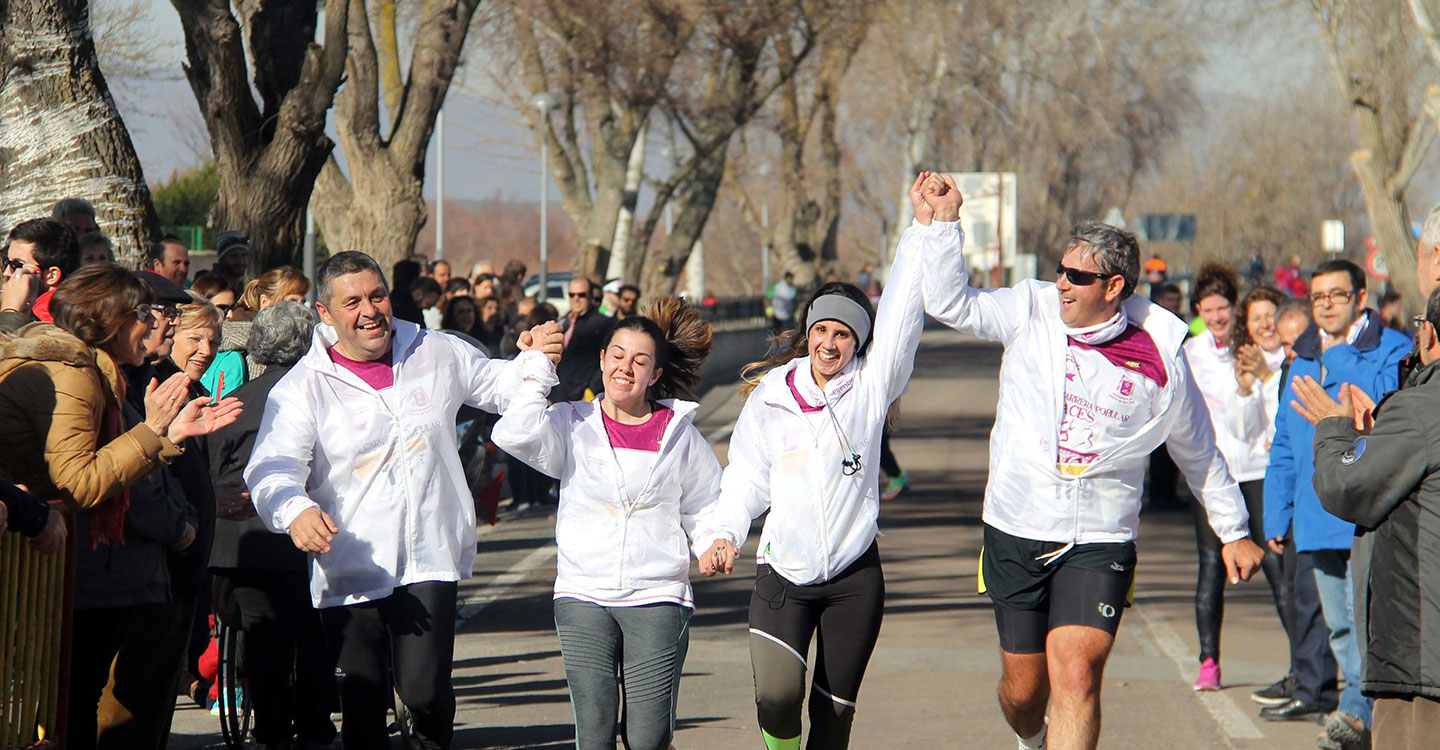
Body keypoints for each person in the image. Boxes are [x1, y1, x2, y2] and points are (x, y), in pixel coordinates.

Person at [917, 178, 1264, 748]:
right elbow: (951, 302)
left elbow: (1197, 449)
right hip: (1018, 524)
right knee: (1025, 693)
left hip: (1101, 533)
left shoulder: (1160, 352)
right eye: (1060, 270)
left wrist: (1232, 530)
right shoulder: (1031, 309)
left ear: (1115, 286)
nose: (1061, 285)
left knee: (1076, 676)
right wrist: (946, 223)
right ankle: (1033, 736)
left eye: (1076, 277)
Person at [244, 251, 564, 750]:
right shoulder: (303, 387)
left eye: (377, 296)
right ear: (325, 314)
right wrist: (295, 509)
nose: (370, 310)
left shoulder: (435, 350)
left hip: (428, 553)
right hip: (352, 560)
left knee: (425, 689)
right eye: (352, 302)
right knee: (363, 703)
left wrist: (534, 358)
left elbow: (498, 385)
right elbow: (272, 466)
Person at [693, 172, 936, 750]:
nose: (830, 344)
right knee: (777, 703)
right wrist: (723, 534)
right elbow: (746, 478)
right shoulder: (772, 397)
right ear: (808, 334)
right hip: (784, 575)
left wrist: (923, 230)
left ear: (858, 343)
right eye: (821, 330)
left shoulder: (872, 389)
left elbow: (902, 312)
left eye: (844, 335)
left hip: (854, 578)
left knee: (832, 723)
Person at [0, 264, 240, 750]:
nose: (155, 324)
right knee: (72, 709)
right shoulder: (75, 372)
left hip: (84, 572)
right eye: (144, 313)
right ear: (109, 318)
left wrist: (167, 436)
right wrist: (154, 433)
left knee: (77, 706)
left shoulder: (95, 371)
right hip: (63, 570)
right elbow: (81, 483)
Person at [493, 297, 724, 750]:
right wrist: (538, 365)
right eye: (617, 356)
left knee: (648, 736)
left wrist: (714, 541)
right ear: (601, 361)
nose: (626, 368)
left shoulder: (680, 435)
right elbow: (513, 433)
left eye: (640, 361)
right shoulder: (571, 423)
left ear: (655, 375)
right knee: (594, 732)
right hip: (583, 592)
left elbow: (704, 504)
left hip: (657, 594)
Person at [1287, 283, 1440, 750]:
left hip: (1422, 661)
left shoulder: (1421, 410)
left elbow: (1344, 487)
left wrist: (1334, 432)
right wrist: (1375, 443)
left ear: (1429, 336)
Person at [1262, 260, 1409, 744]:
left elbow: (1383, 411)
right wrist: (1275, 512)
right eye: (1318, 296)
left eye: (1337, 295)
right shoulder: (1301, 359)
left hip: (1367, 514)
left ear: (1360, 298)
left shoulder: (1393, 349)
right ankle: (1358, 714)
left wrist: (1339, 356)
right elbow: (1285, 442)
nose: (1325, 304)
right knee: (1341, 627)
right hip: (1314, 514)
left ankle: (1358, 715)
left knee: (1369, 626)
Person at [208, 301, 338, 750]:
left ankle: (272, 728)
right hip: (312, 535)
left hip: (245, 543)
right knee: (314, 630)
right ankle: (318, 723)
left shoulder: (234, 404)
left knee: (266, 637)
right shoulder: (326, 395)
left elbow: (214, 472)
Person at [1181, 268, 1292, 691]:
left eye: (1223, 307)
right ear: (1198, 311)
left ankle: (1302, 661)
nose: (1216, 317)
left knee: (1277, 565)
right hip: (1212, 474)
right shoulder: (1190, 354)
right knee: (1211, 567)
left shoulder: (1252, 350)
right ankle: (1209, 661)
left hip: (1259, 470)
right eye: (1207, 310)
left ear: (1235, 307)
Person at [202, 266, 310, 398]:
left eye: (302, 302)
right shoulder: (247, 344)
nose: (299, 308)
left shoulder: (301, 340)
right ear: (265, 302)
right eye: (292, 301)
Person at [1, 217, 81, 328]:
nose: (7, 272)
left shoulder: (48, 316)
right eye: (6, 262)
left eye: (17, 266)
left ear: (51, 276)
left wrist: (10, 310)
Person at [555, 276, 616, 402]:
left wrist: (591, 390)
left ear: (590, 296)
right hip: (560, 394)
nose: (576, 299)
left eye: (581, 295)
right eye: (572, 295)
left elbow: (608, 359)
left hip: (584, 396)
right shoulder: (564, 322)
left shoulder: (603, 323)